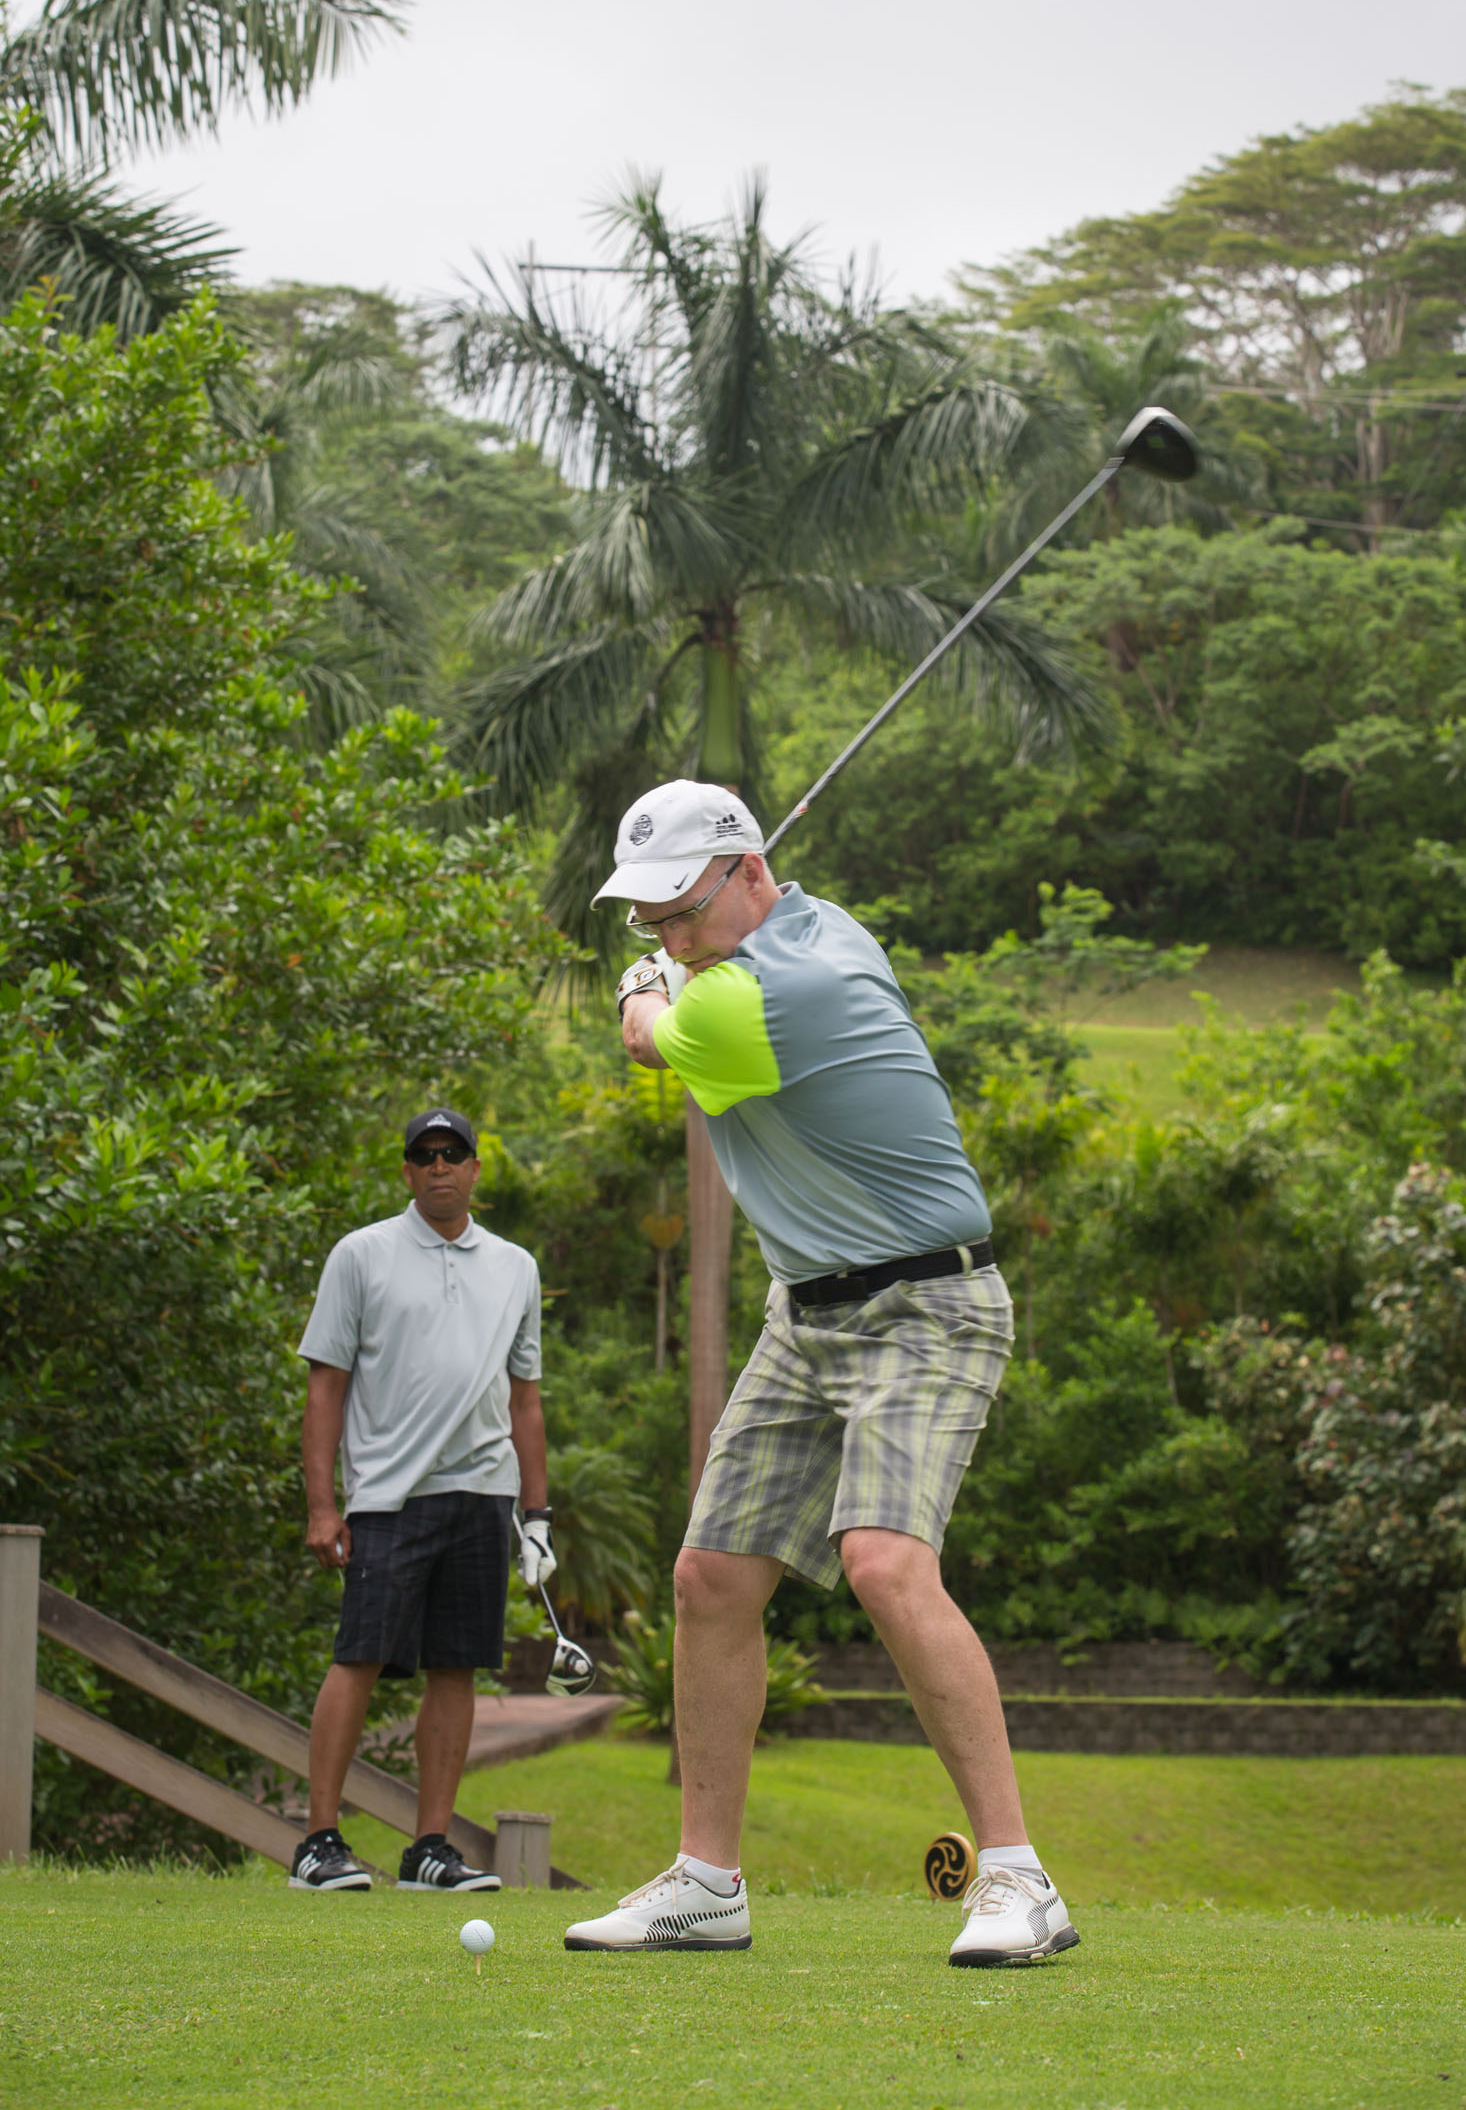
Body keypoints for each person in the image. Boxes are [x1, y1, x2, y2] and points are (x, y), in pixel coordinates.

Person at [565, 782, 1077, 1968]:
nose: (668, 938)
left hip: (927, 1306)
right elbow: (696, 978)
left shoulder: (785, 989)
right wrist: (673, 954)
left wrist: (641, 984)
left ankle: (1018, 1879)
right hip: (808, 1310)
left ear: (749, 870)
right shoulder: (811, 921)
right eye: (647, 922)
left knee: (885, 1566)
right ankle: (706, 1883)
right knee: (710, 1578)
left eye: (681, 913)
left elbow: (650, 1037)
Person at [290, 1107, 555, 1892]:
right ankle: (317, 1842)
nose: (440, 1166)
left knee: (456, 1667)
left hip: (483, 1495)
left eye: (454, 1154)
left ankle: (429, 1848)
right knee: (359, 1658)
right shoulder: (361, 1254)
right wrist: (321, 1505)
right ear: (406, 1172)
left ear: (476, 1169)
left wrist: (537, 1518)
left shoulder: (516, 1267)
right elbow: (325, 1385)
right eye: (424, 1155)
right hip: (386, 1497)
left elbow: (526, 1399)